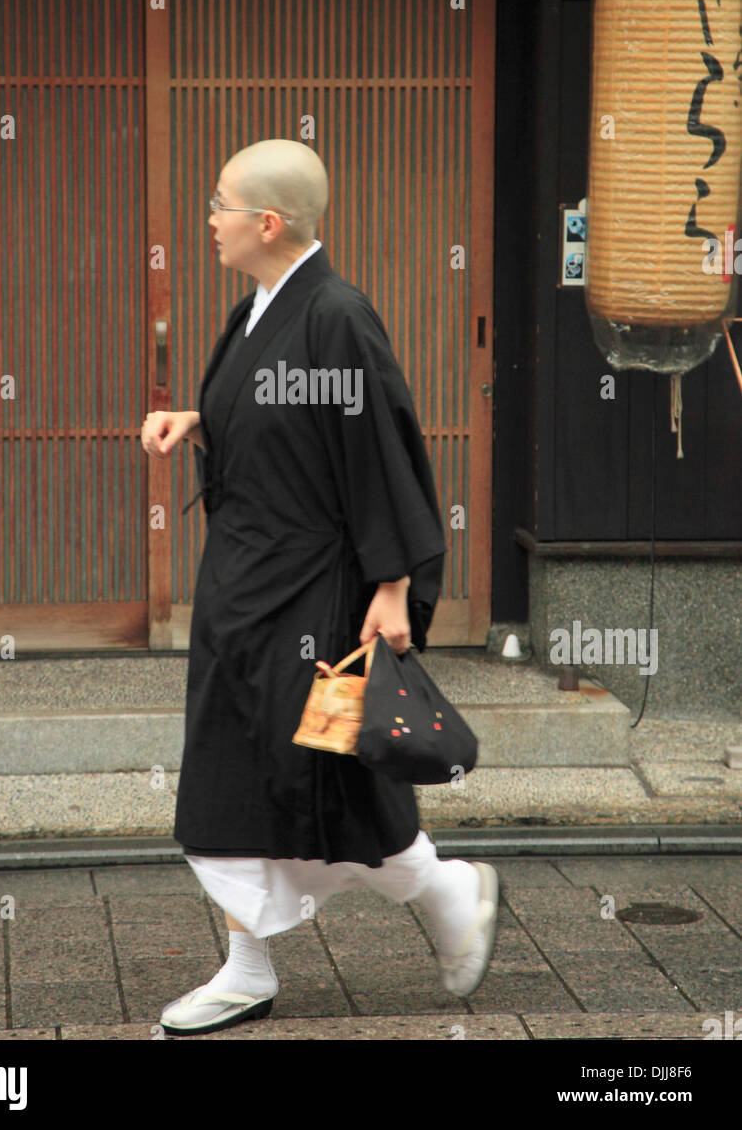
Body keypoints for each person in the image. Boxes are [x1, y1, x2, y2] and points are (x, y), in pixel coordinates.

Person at [141, 139, 499, 1036]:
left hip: (317, 595)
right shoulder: (258, 307)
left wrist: (393, 585)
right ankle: (248, 967)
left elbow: (381, 451)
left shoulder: (336, 314)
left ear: (267, 222)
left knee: (327, 776)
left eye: (219, 204)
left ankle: (449, 893)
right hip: (245, 589)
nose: (209, 219)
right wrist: (200, 419)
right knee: (232, 774)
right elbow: (278, 419)